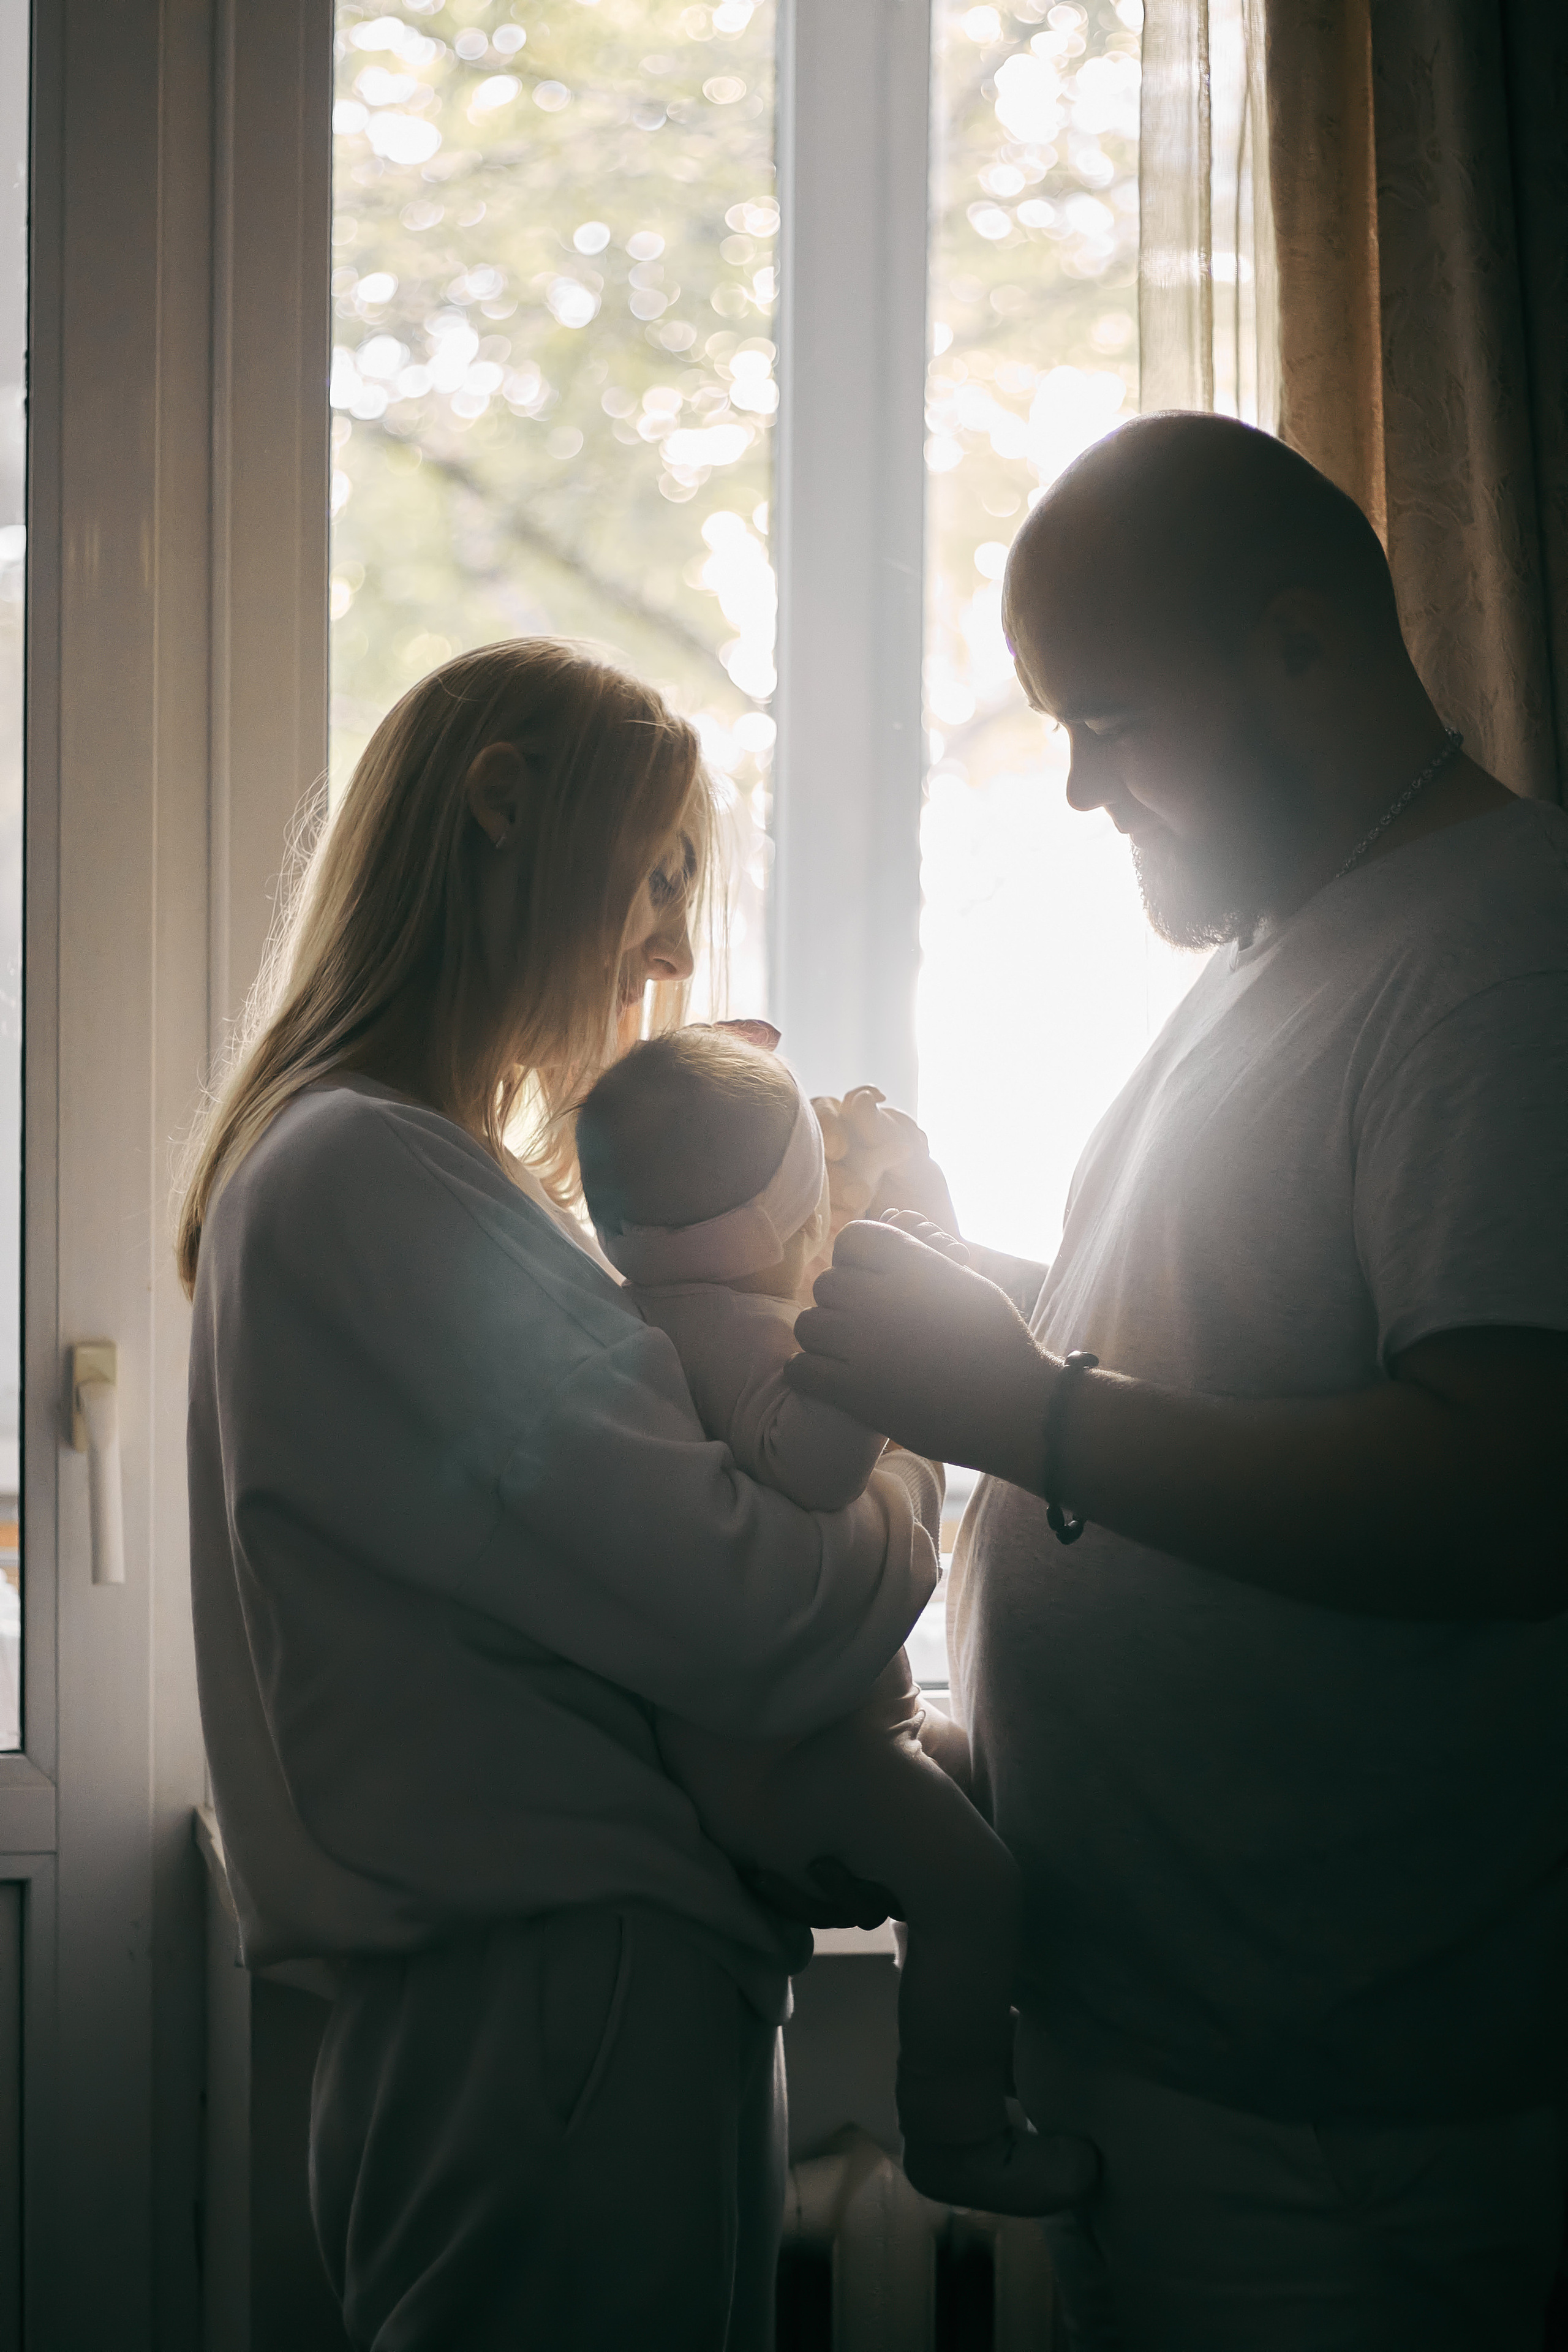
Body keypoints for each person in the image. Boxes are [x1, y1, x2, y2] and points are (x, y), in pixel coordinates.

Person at [788, 414, 1568, 2349]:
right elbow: (1243, 1353)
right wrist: (978, 1286)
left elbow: (1506, 1489)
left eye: (1109, 719)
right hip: (1185, 2038)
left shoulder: (1503, 957)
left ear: (1299, 648)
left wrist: (1018, 1408)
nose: (1075, 790)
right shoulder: (1289, 939)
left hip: (1332, 2110)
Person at [177, 639, 944, 2351]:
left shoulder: (367, 1174)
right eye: (658, 876)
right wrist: (913, 1418)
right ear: (503, 812)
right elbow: (758, 1614)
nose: (675, 948)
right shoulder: (375, 1179)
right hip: (568, 2017)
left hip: (547, 2014)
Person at [574, 1021, 1096, 2215]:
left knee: (991, 1819)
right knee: (972, 1885)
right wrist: (889, 1361)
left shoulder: (671, 1310)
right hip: (797, 1763)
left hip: (829, 1740)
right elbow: (812, 1462)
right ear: (787, 1214)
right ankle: (955, 2129)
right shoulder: (734, 1329)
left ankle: (975, 2044)